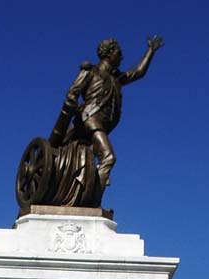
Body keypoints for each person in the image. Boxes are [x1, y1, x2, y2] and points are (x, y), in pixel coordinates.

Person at [54, 35, 163, 189]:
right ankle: (93, 195)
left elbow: (138, 72)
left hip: (103, 125)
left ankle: (86, 188)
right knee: (108, 157)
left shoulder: (116, 77)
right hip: (91, 120)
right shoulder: (91, 71)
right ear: (109, 53)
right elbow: (72, 94)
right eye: (119, 53)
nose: (122, 57)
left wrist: (151, 51)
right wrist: (72, 109)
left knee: (93, 161)